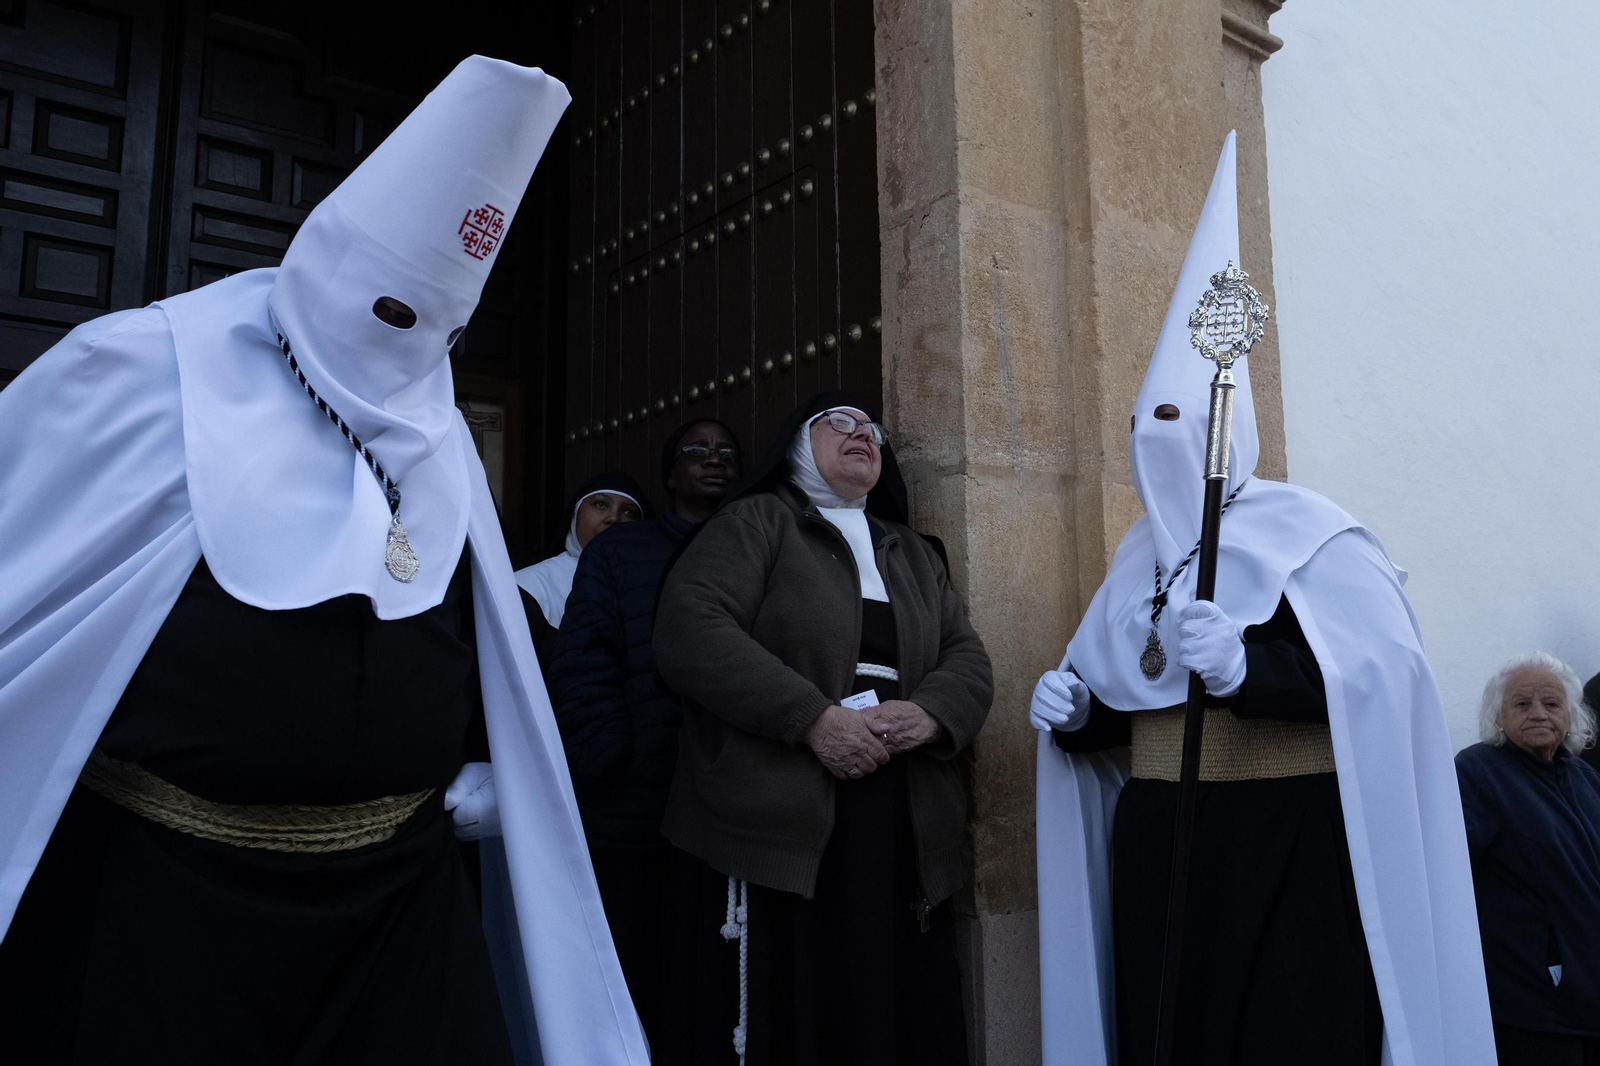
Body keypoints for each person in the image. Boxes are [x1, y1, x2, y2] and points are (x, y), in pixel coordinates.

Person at [0, 57, 648, 1065]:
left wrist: (475, 753)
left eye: (442, 329)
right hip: (167, 902)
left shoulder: (430, 419)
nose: (405, 352)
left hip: (401, 909)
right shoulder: (136, 370)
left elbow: (472, 626)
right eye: (392, 313)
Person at [1032, 133, 1493, 1066]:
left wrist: (1252, 669)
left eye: (1178, 422)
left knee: (1283, 1032)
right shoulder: (1133, 561)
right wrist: (1080, 716)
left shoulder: (1311, 534)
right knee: (1170, 1031)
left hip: (1283, 835)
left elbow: (1381, 679)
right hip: (1161, 837)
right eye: (1144, 425)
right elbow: (1136, 700)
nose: (1158, 442)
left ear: (1223, 430)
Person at [650, 392, 992, 1065]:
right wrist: (811, 719)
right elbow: (691, 630)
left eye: (870, 428)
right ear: (796, 445)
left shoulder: (912, 553)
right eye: (838, 423)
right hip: (784, 808)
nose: (861, 433)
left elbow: (968, 656)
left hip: (899, 812)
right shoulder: (755, 523)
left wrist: (930, 714)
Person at [547, 418, 743, 1040]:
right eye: (696, 450)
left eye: (726, 452)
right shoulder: (618, 552)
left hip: (733, 803)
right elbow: (584, 661)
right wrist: (611, 756)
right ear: (669, 474)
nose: (712, 459)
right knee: (631, 969)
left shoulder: (759, 541)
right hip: (636, 801)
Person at [1456, 652, 1600, 1065]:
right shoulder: (1478, 772)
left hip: (1590, 999)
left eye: (1552, 703)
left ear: (1570, 714)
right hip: (1534, 1003)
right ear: (1498, 716)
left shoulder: (1585, 777)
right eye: (1521, 703)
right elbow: (1451, 875)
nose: (1538, 713)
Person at [513, 472, 649, 662]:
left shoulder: (652, 588)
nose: (614, 518)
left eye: (629, 513)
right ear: (575, 515)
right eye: (600, 504)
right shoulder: (527, 587)